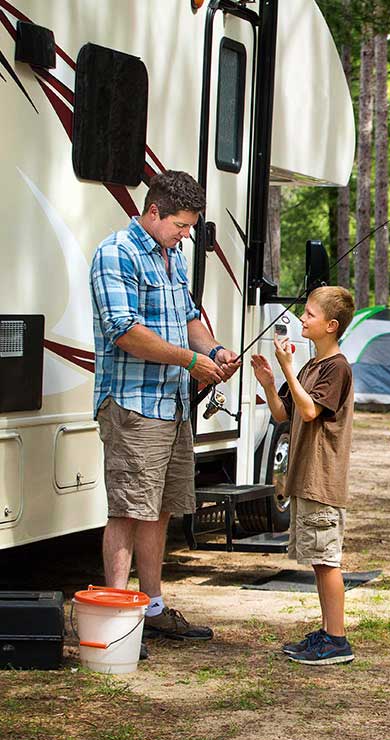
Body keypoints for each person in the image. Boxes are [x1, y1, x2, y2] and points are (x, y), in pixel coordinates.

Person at [90, 170, 239, 643]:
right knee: (128, 510)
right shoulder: (117, 253)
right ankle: (117, 621)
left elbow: (190, 318)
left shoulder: (170, 257)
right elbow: (124, 330)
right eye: (181, 224)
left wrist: (213, 351)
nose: (186, 234)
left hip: (172, 405)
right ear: (154, 212)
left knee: (160, 510)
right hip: (133, 404)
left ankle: (152, 609)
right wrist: (191, 360)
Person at [250, 285, 357, 666]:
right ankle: (327, 632)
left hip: (322, 479)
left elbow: (311, 411)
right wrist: (268, 382)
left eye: (309, 314)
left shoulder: (336, 367)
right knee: (317, 558)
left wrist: (287, 369)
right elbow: (285, 414)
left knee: (328, 559)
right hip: (303, 478)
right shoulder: (312, 366)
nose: (302, 320)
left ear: (331, 325)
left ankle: (338, 639)